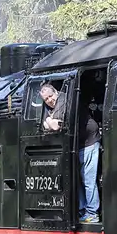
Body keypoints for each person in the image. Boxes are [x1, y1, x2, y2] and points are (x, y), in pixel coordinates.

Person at [40, 83, 100, 223]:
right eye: (46, 99)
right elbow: (44, 125)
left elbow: (54, 126)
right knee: (77, 180)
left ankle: (92, 213)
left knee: (88, 180)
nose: (49, 100)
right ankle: (82, 210)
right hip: (77, 144)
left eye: (50, 96)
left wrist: (48, 120)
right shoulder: (51, 105)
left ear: (55, 92)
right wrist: (49, 121)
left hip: (89, 141)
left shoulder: (63, 99)